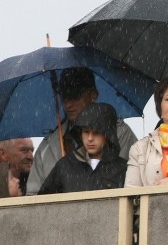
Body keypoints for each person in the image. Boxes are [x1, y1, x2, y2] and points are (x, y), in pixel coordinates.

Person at [26, 67, 137, 195]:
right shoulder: (48, 145)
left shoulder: (120, 133)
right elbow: (32, 198)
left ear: (93, 95)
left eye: (74, 96)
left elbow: (131, 187)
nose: (68, 104)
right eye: (64, 97)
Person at [38, 103, 127, 194]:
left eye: (96, 132)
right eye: (86, 132)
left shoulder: (123, 169)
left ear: (108, 135)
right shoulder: (64, 166)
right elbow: (42, 204)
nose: (90, 138)